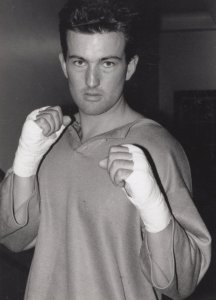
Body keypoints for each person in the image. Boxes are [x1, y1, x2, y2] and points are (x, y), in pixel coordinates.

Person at [0, 0, 211, 299]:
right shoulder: (51, 140)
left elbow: (182, 283)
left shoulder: (156, 147)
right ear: (64, 64)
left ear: (130, 67)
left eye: (107, 63)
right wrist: (25, 161)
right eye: (79, 62)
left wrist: (154, 208)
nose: (91, 81)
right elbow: (14, 238)